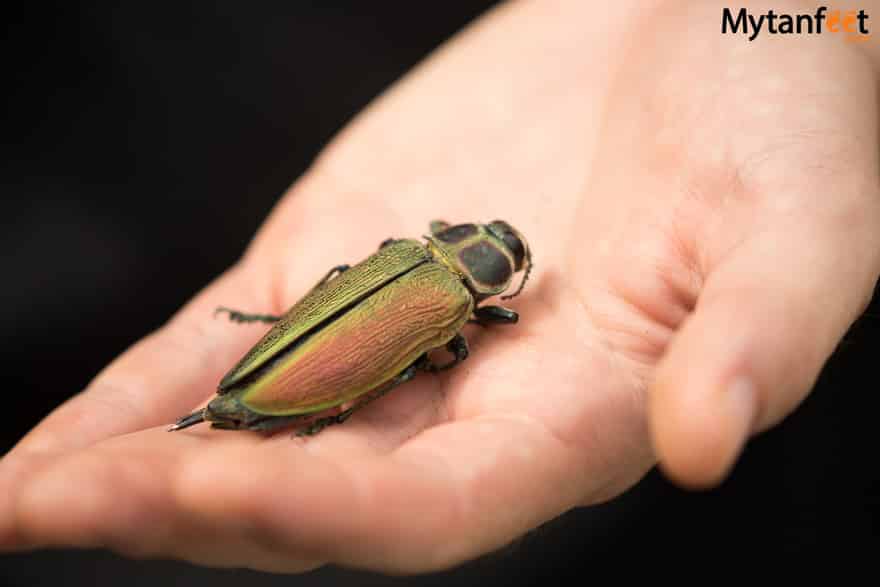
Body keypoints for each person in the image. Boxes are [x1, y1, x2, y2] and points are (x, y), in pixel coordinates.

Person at [1, 0, 878, 573]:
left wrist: (827, 18)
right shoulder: (459, 309)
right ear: (494, 281)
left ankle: (255, 395)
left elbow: (817, 16)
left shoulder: (415, 264)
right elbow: (418, 349)